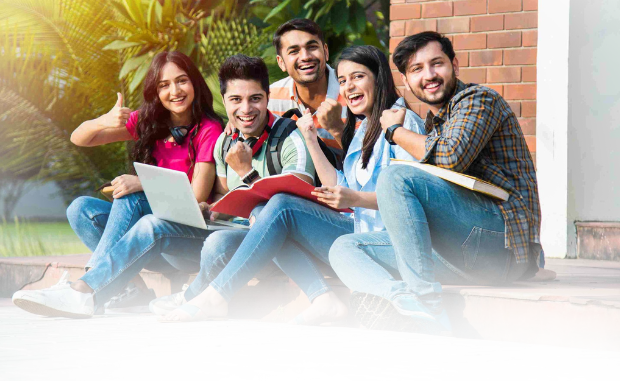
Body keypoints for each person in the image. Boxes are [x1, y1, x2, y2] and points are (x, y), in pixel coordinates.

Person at [161, 45, 425, 324]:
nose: (348, 87)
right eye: (344, 81)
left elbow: (408, 197)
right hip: (357, 229)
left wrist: (355, 199)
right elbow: (340, 186)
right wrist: (311, 138)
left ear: (379, 77)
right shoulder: (365, 128)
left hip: (383, 240)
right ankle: (321, 298)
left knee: (277, 207)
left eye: (358, 77)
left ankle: (214, 296)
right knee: (222, 240)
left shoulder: (401, 123)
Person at [330, 31, 542, 331]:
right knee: (344, 247)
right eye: (416, 69)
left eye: (436, 64)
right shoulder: (434, 123)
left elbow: (451, 156)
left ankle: (426, 302)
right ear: (406, 81)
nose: (428, 75)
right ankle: (409, 302)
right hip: (460, 252)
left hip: (501, 248)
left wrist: (394, 132)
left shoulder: (479, 99)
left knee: (394, 175)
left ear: (454, 65)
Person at [12, 52, 224, 316]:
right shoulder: (151, 123)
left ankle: (85, 288)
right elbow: (80, 138)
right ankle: (131, 288)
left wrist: (142, 182)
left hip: (180, 243)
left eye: (182, 81)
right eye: (164, 85)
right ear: (155, 91)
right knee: (80, 209)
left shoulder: (209, 129)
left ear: (194, 83)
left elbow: (197, 196)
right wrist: (103, 121)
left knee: (132, 195)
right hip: (144, 243)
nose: (175, 91)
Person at [266, 18, 348, 149]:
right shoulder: (269, 98)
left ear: (325, 52)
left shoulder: (352, 92)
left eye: (312, 47)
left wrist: (337, 129)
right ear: (281, 62)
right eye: (294, 51)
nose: (305, 56)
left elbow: (370, 161)